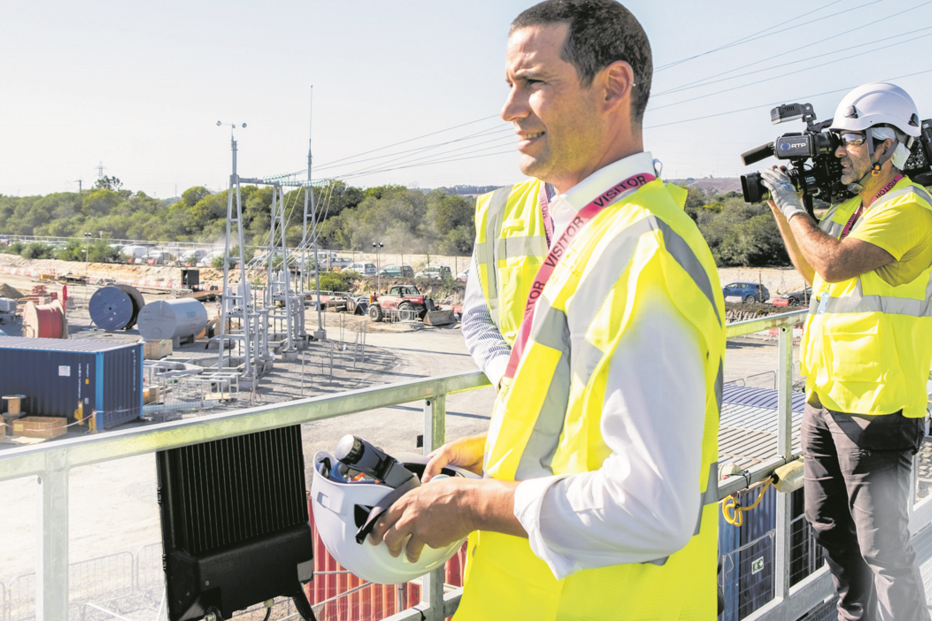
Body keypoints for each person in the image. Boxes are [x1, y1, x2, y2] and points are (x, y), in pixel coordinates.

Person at [368, 1, 726, 618]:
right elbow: (590, 419)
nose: (509, 110)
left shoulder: (640, 251)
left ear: (612, 87)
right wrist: (502, 451)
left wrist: (470, 504)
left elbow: (653, 508)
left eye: (533, 83)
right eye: (510, 85)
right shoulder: (600, 230)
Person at [761, 82, 932, 621]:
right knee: (829, 527)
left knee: (884, 550)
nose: (839, 151)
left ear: (886, 144)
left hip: (879, 407)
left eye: (851, 140)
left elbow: (833, 263)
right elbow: (811, 267)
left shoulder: (910, 208)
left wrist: (796, 208)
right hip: (826, 399)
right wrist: (782, 207)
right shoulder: (854, 209)